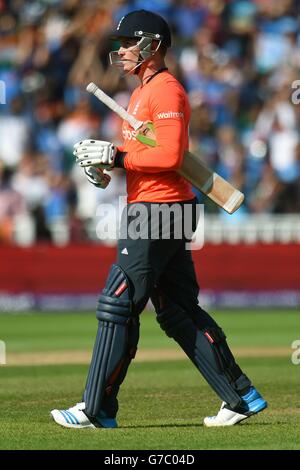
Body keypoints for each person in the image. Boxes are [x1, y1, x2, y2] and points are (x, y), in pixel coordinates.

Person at [50, 10, 267, 429]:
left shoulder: (166, 91)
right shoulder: (141, 93)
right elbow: (146, 156)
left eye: (129, 42)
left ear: (151, 45)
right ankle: (241, 396)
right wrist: (109, 164)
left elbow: (168, 156)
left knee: (119, 302)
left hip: (158, 210)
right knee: (177, 311)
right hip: (159, 207)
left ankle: (95, 409)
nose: (121, 50)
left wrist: (117, 155)